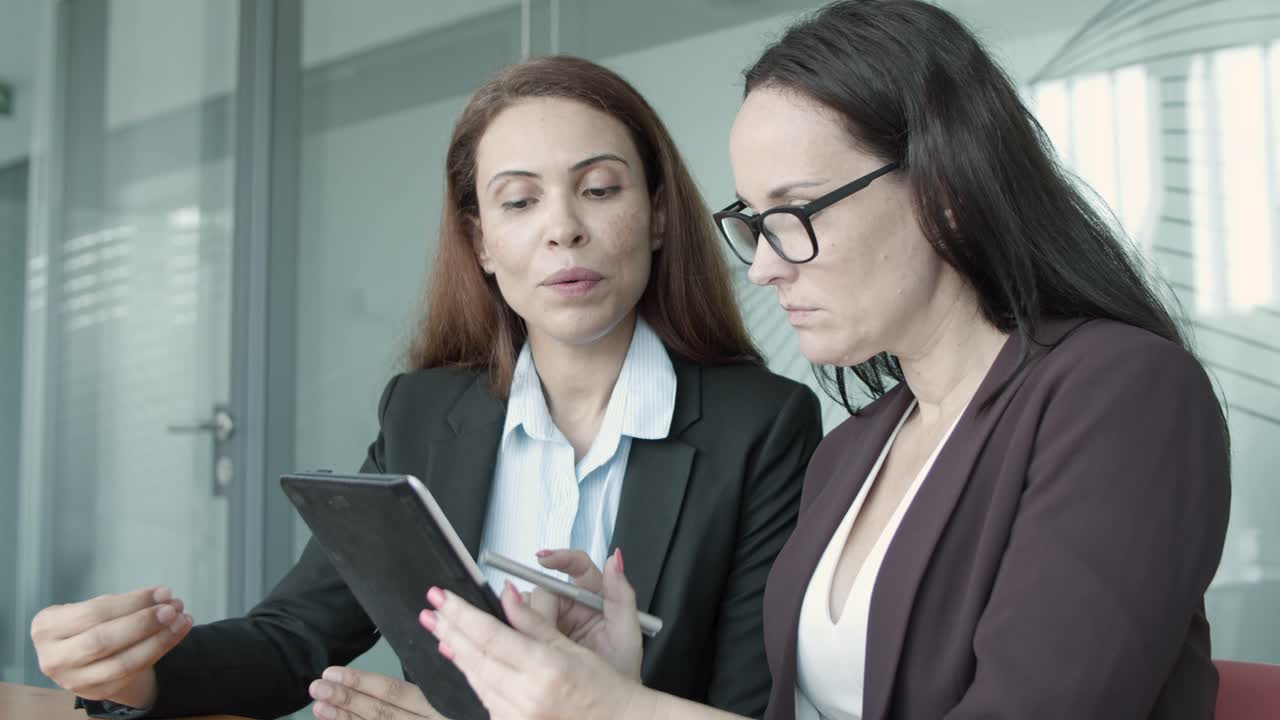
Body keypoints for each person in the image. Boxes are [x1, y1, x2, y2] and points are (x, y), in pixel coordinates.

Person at [419, 2, 1233, 718]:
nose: (766, 265)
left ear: (943, 189)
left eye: (795, 213)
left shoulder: (1123, 395)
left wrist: (624, 713)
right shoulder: (852, 450)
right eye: (754, 222)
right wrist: (623, 680)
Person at [29, 56, 823, 720]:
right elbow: (293, 635)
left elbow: (751, 707)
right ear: (480, 241)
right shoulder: (423, 413)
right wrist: (133, 673)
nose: (563, 229)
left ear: (655, 216)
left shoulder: (763, 426)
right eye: (518, 201)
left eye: (601, 189)